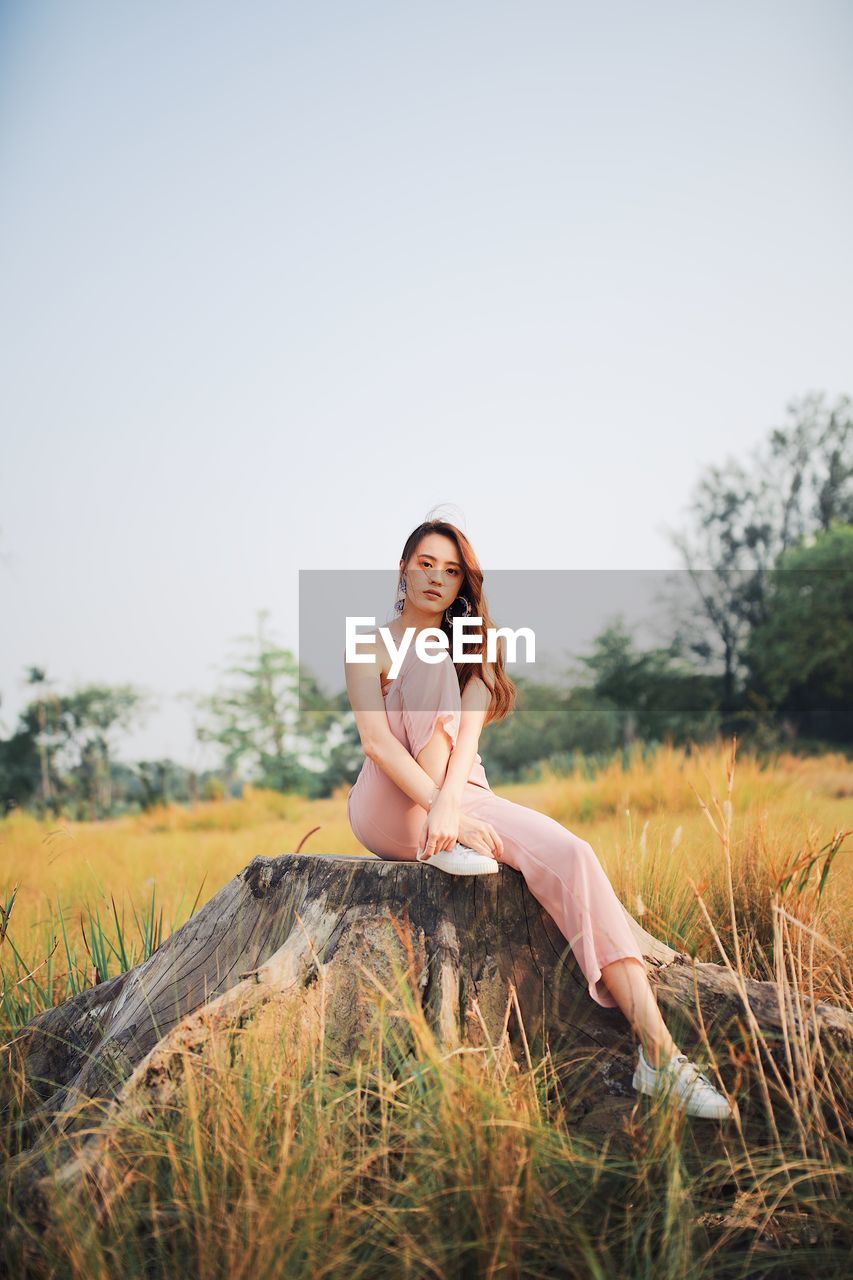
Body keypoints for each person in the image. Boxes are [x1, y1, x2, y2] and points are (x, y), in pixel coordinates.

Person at [345, 519, 733, 1121]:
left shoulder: (470, 646)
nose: (436, 579)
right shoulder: (370, 645)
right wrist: (439, 808)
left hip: (460, 792)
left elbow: (467, 735)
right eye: (426, 564)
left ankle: (660, 1056)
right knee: (425, 658)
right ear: (404, 568)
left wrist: (454, 802)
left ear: (461, 586)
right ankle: (438, 838)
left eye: (451, 572)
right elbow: (376, 742)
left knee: (574, 853)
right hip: (391, 803)